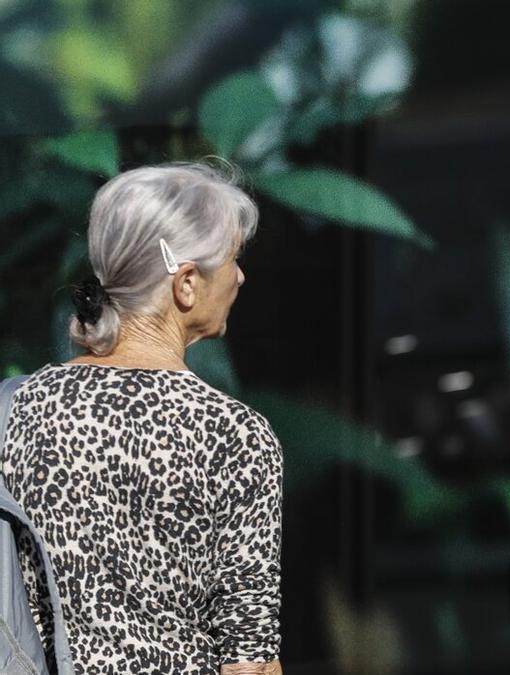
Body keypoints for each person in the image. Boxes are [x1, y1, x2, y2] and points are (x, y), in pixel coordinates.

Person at [0, 163, 283, 674]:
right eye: (233, 259)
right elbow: (249, 663)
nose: (240, 276)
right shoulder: (234, 437)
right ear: (188, 284)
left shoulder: (14, 411)